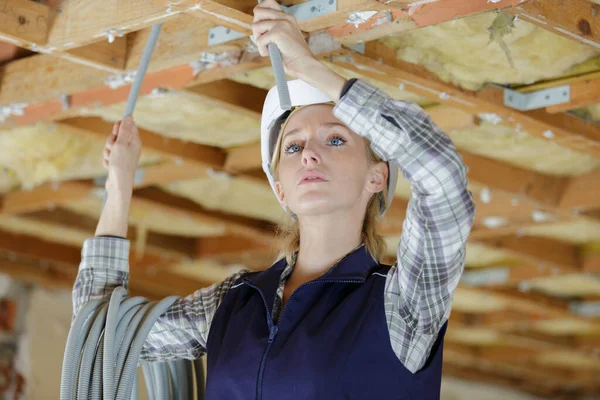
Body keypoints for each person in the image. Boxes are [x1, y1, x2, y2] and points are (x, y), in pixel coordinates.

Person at [72, 0, 476, 398]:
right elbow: (97, 337)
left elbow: (443, 177)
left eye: (336, 139)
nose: (311, 154)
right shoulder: (234, 302)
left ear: (377, 176)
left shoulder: (402, 304)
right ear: (281, 188)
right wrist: (119, 187)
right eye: (294, 147)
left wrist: (310, 67)